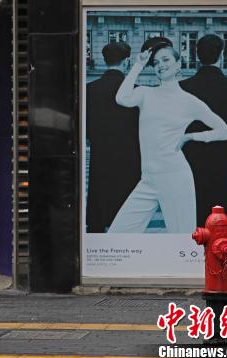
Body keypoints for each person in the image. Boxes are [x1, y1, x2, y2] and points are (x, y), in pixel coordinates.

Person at [108, 42, 227, 233]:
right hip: (148, 179)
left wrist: (190, 136)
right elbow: (121, 98)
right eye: (156, 62)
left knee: (182, 241)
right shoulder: (145, 93)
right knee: (117, 234)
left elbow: (224, 132)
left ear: (178, 64)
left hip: (175, 178)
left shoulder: (189, 101)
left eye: (166, 60)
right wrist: (138, 65)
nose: (160, 65)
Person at [180, 34, 227, 226]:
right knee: (221, 228)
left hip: (190, 167)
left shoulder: (183, 88)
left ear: (196, 55)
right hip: (222, 166)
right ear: (221, 54)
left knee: (193, 223)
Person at [86, 42, 140, 233]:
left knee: (99, 199)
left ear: (104, 60)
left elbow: (86, 126)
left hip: (101, 153)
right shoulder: (136, 90)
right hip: (130, 154)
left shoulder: (90, 89)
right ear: (126, 62)